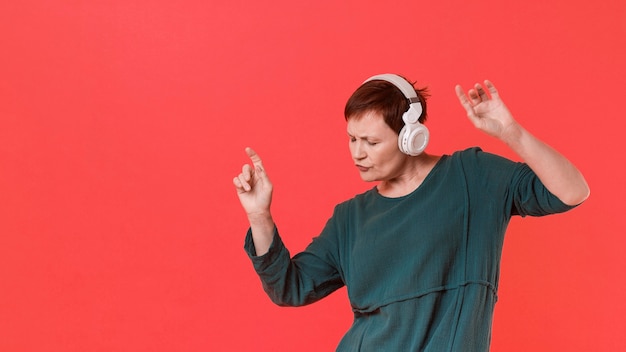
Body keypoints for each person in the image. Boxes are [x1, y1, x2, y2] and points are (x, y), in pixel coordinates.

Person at [232, 73, 590, 351]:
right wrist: (259, 216)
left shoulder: (473, 177)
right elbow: (289, 288)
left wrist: (512, 133)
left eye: (371, 142)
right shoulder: (350, 219)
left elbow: (572, 192)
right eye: (352, 139)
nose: (357, 153)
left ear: (411, 136)